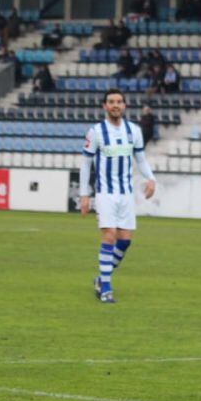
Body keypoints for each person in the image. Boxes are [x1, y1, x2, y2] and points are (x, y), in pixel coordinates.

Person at [79, 89, 157, 303]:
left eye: (119, 102)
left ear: (124, 106)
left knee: (125, 241)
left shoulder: (134, 130)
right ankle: (106, 288)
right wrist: (84, 194)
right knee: (109, 236)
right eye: (111, 102)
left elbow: (140, 159)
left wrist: (151, 179)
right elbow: (86, 163)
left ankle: (101, 278)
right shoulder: (95, 132)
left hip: (126, 194)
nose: (115, 105)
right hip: (105, 193)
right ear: (105, 106)